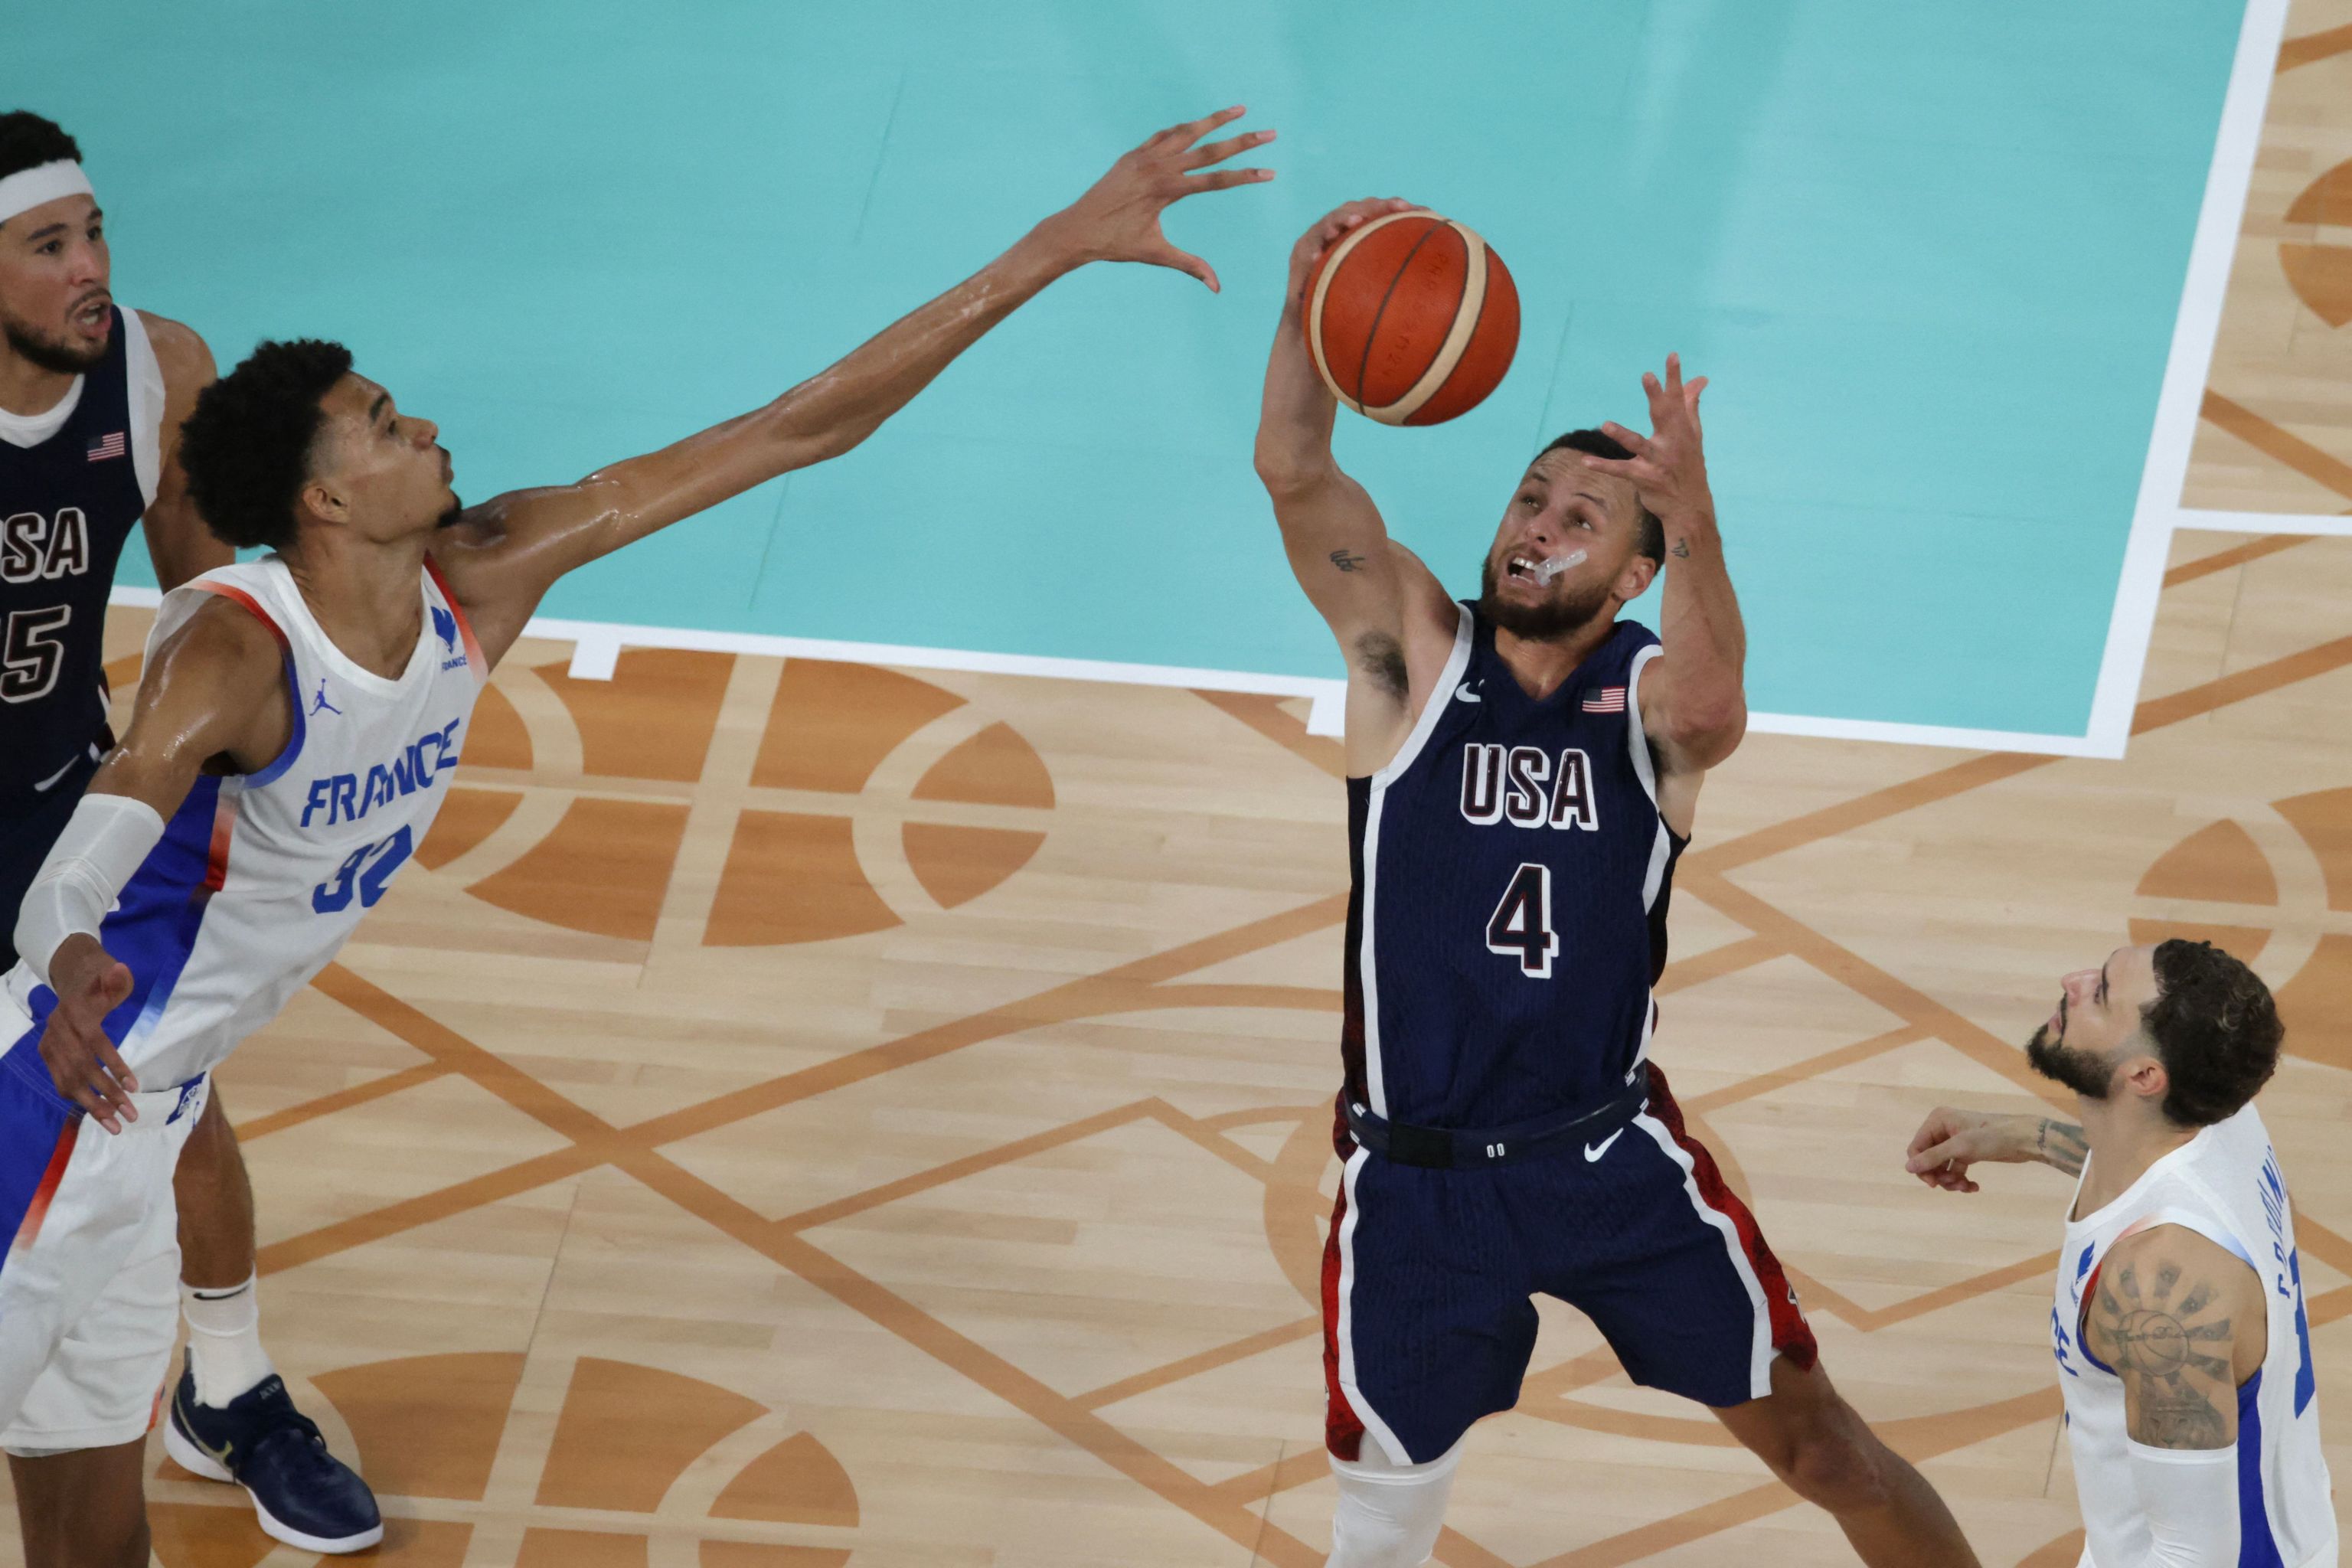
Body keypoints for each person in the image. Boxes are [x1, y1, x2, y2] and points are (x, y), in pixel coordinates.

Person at [0, 106, 1273, 1568]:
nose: (428, 428)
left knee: (91, 1528)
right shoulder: (236, 652)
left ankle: (216, 1393)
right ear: (325, 496)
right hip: (41, 1104)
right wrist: (69, 935)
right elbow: (104, 823)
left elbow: (798, 424)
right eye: (388, 424)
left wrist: (1051, 248)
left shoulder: (486, 570)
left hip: (135, 1126)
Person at [1253, 197, 1981, 1568]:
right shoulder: (1407, 652)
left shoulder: (1644, 695)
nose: (1539, 525)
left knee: (1826, 1448)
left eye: (1584, 517)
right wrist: (1306, 316)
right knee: (1378, 1527)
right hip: (1412, 1183)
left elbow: (1713, 703)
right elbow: (1295, 471)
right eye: (1530, 497)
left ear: (1637, 572)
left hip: (1607, 1157)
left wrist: (1695, 513)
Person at [0, 109, 385, 1550]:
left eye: (93, 231)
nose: (89, 265)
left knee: (172, 1108)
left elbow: (216, 609)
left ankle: (225, 1388)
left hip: (62, 810)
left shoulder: (157, 369)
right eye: (48, 246)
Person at [1905, 939, 2335, 1566]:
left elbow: (2195, 1556)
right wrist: (2027, 1136)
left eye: (2101, 993)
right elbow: (2149, 1174)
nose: (2072, 981)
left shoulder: (2161, 1288)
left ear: (2143, 1077)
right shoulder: (2223, 1118)